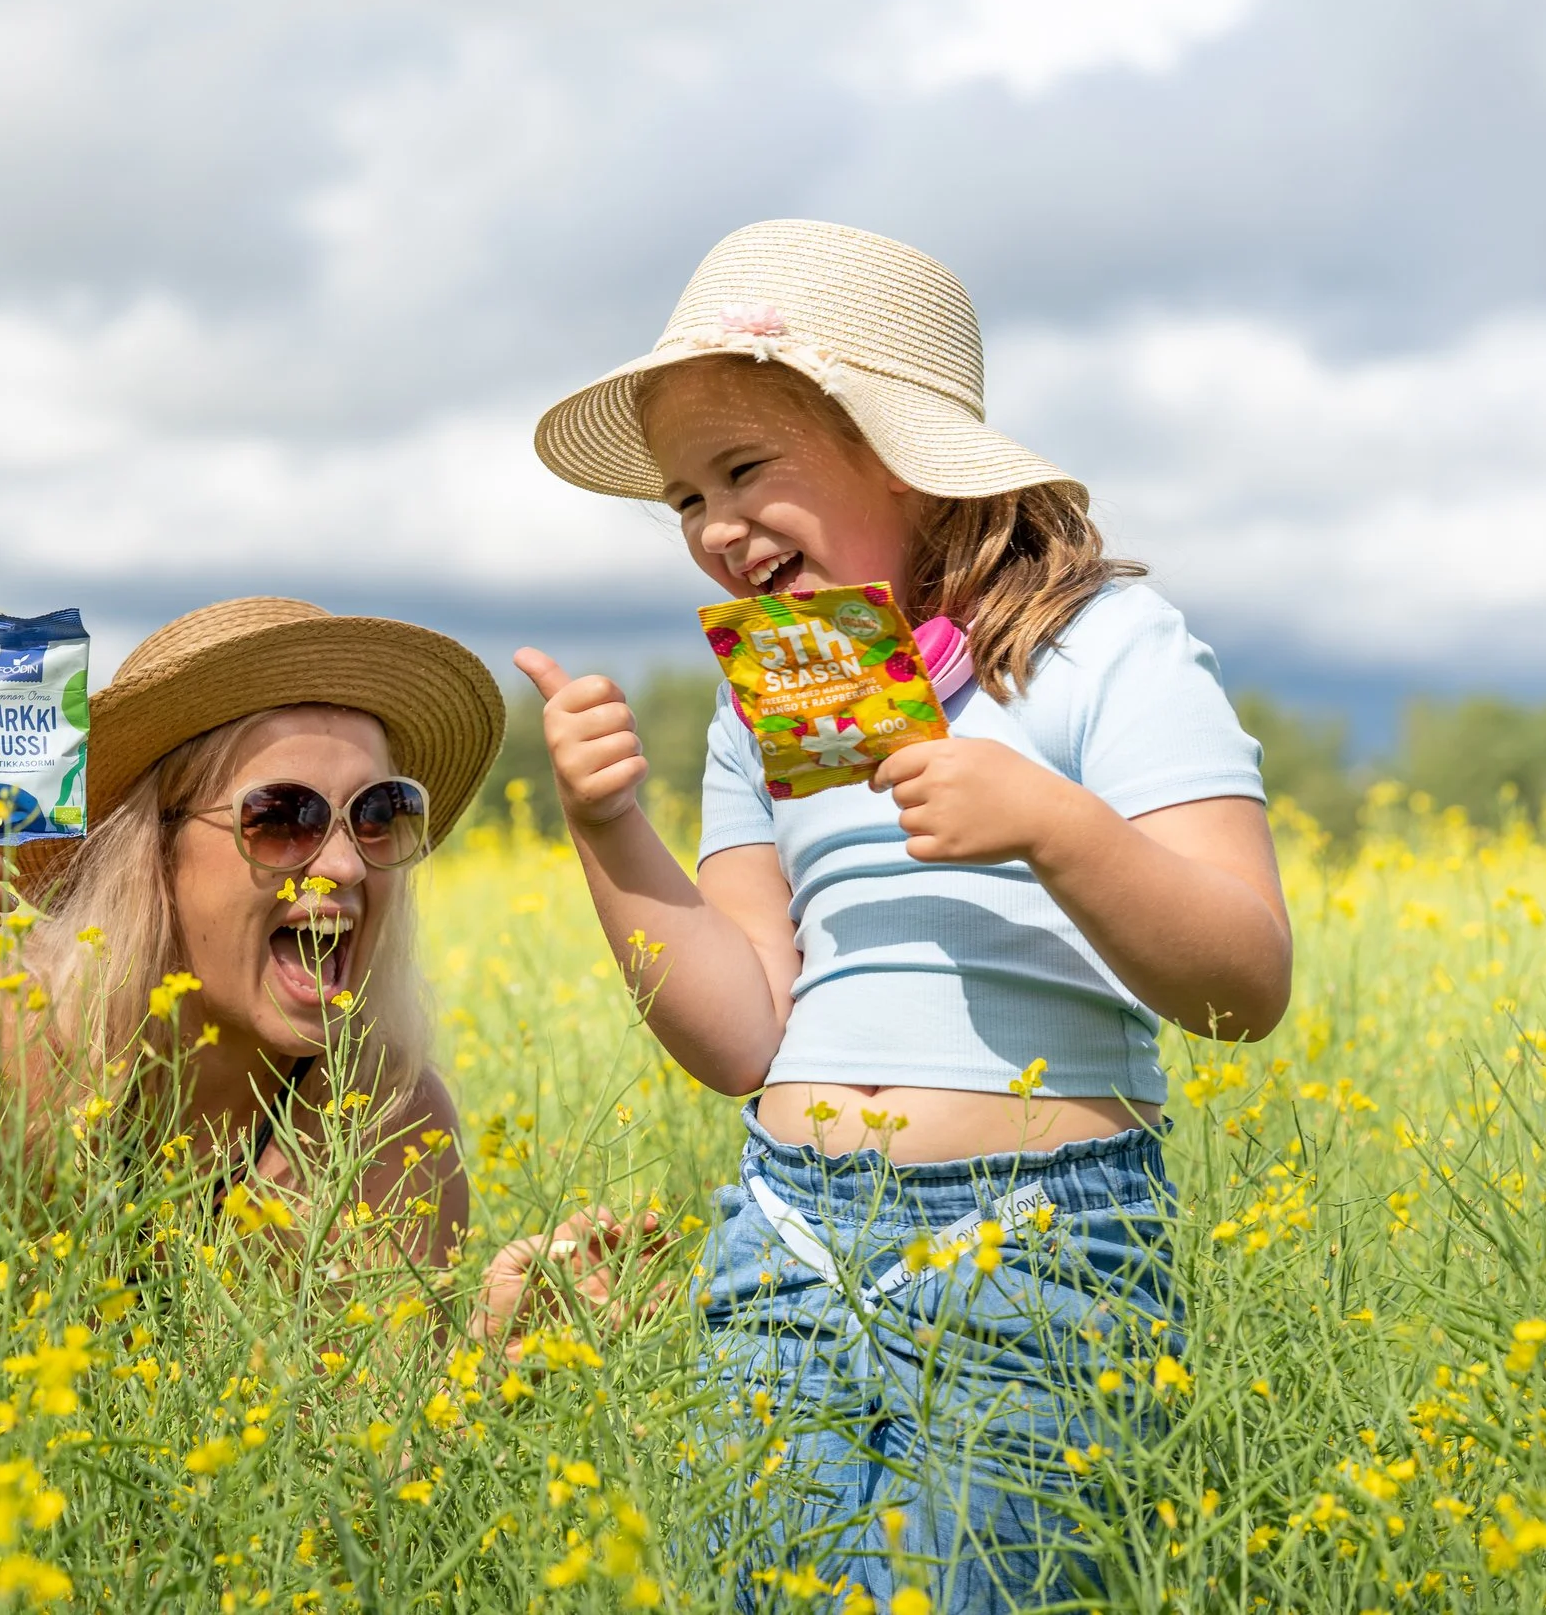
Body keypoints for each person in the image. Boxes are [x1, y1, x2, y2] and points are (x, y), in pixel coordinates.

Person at [518, 221, 1291, 1611]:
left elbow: (1244, 980)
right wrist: (605, 827)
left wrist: (1054, 827)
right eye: (686, 498)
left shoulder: (1104, 647)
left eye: (745, 469)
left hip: (1037, 1243)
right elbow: (744, 1029)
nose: (715, 527)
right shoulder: (769, 703)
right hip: (787, 1229)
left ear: (907, 458)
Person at [0, 597, 506, 1291]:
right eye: (283, 816)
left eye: (378, 812)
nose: (343, 861)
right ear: (153, 853)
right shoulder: (8, 1053)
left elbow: (371, 1449)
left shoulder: (388, 1115)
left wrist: (487, 1353)